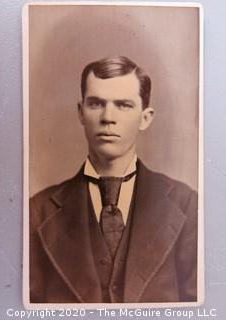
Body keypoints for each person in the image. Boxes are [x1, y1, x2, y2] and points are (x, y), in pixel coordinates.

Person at [29, 56, 198, 303]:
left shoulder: (186, 205)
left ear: (145, 117)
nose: (108, 117)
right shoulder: (39, 211)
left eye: (123, 105)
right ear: (81, 112)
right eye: (96, 103)